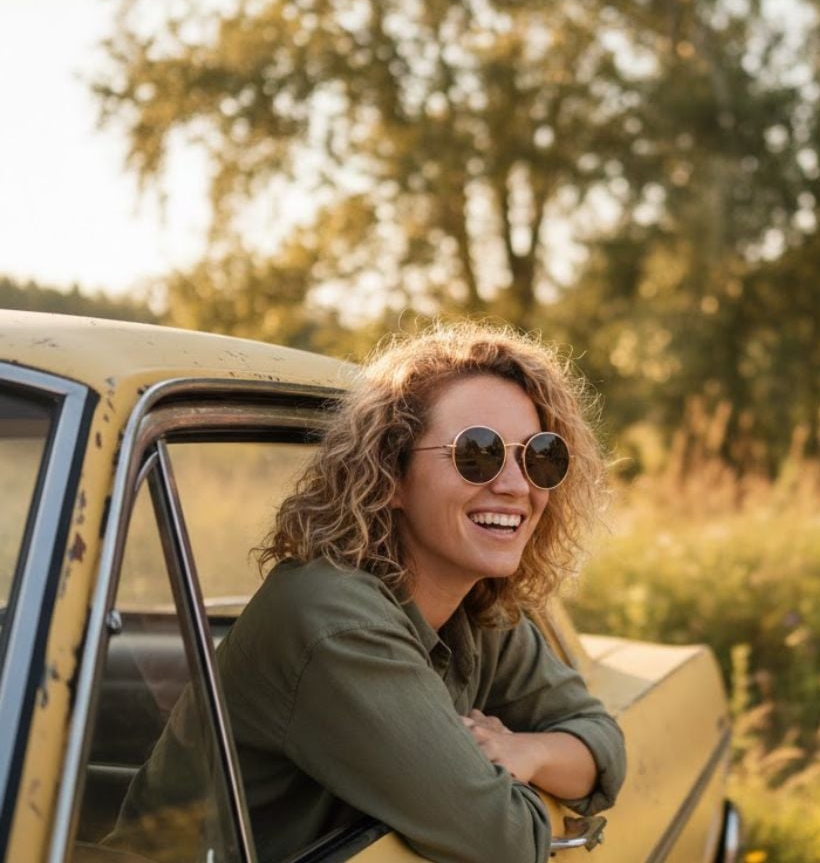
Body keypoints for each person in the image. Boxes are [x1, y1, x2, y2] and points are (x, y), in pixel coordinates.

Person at [107, 323, 625, 863]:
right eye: (478, 453)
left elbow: (602, 743)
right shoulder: (333, 621)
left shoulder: (474, 602)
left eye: (541, 456)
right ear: (391, 476)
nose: (518, 485)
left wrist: (527, 752)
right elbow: (506, 840)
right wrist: (508, 777)